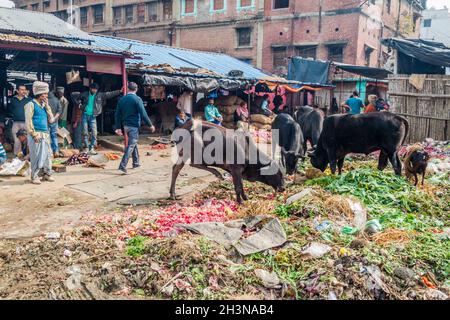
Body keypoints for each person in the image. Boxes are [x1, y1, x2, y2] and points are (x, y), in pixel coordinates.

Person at [115, 82, 155, 174]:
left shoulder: (122, 99)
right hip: (133, 126)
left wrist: (118, 127)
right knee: (131, 145)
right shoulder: (137, 99)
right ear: (136, 89)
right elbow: (143, 114)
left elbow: (117, 114)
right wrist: (150, 125)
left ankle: (136, 163)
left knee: (133, 143)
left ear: (128, 89)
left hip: (125, 126)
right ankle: (122, 165)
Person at [24, 81, 55, 185]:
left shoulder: (44, 106)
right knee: (36, 156)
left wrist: (47, 107)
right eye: (44, 94)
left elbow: (51, 120)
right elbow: (28, 121)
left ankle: (47, 174)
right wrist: (33, 134)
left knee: (47, 155)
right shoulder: (30, 105)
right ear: (38, 94)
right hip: (36, 134)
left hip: (45, 134)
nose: (46, 96)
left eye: (46, 94)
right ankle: (34, 176)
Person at [78, 83, 122, 155]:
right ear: (90, 89)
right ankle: (86, 148)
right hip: (85, 115)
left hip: (93, 116)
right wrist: (80, 105)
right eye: (93, 89)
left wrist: (119, 91)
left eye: (96, 89)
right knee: (85, 132)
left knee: (94, 133)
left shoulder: (100, 95)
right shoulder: (85, 94)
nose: (95, 90)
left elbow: (109, 94)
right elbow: (78, 98)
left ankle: (91, 148)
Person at [7, 84, 31, 155]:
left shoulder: (29, 100)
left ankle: (28, 155)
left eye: (25, 90)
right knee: (17, 140)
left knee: (28, 139)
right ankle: (17, 156)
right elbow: (10, 110)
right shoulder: (13, 100)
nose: (24, 91)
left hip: (26, 122)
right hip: (16, 123)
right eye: (22, 90)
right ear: (17, 91)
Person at [47, 91, 62, 157]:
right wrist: (54, 118)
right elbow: (59, 111)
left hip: (46, 121)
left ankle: (49, 152)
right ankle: (56, 151)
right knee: (54, 136)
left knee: (46, 136)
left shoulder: (44, 100)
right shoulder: (56, 100)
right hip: (54, 121)